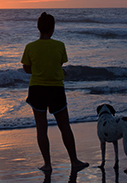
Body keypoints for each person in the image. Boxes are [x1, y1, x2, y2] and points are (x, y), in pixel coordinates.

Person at [21, 12, 89, 172]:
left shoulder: (30, 47)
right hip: (56, 89)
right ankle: (74, 161)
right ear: (53, 28)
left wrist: (37, 69)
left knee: (41, 128)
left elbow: (26, 69)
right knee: (64, 126)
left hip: (37, 89)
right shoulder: (59, 45)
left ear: (38, 28)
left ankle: (47, 164)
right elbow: (58, 64)